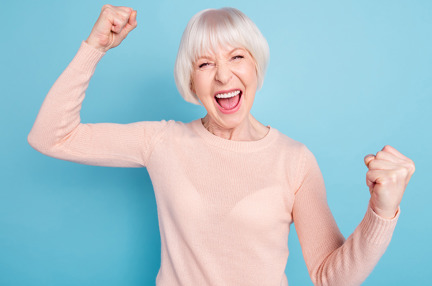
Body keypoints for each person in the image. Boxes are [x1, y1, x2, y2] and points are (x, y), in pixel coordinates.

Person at [28, 4, 415, 286]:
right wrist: (94, 46)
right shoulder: (162, 141)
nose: (223, 75)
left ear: (256, 67)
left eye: (236, 56)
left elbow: (331, 277)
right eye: (205, 64)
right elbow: (51, 136)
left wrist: (382, 212)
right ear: (191, 82)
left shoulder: (294, 161)